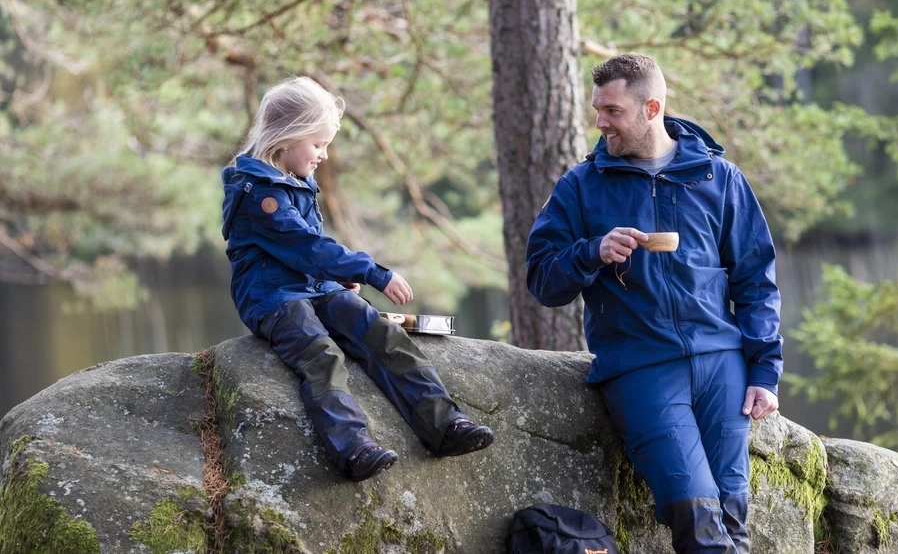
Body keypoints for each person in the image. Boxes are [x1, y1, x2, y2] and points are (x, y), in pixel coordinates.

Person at [525, 54, 782, 553]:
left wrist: (764, 372)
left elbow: (755, 281)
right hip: (641, 367)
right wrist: (590, 252)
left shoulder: (718, 178)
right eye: (597, 110)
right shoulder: (581, 187)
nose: (600, 122)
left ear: (651, 108)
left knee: (732, 516)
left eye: (612, 111)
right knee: (698, 518)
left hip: (721, 365)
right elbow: (541, 280)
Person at [221, 76, 493, 482]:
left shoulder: (292, 178)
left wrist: (337, 279)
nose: (324, 156)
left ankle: (444, 425)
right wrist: (370, 272)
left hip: (314, 285)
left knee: (379, 332)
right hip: (273, 296)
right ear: (287, 137)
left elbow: (310, 250)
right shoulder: (259, 193)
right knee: (320, 353)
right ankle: (352, 448)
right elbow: (306, 246)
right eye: (318, 144)